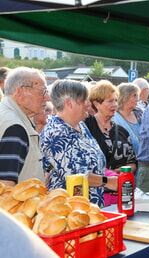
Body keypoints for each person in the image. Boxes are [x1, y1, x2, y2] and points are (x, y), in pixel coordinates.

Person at [40, 79, 118, 207]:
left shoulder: (80, 125)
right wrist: (108, 181)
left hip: (88, 207)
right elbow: (76, 176)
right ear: (69, 103)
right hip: (68, 210)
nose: (88, 104)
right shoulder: (56, 132)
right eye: (84, 100)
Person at [0, 67, 49, 186]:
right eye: (42, 92)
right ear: (21, 91)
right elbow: (5, 187)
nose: (47, 98)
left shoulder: (8, 115)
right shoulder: (15, 127)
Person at [84, 80, 137, 173]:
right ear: (96, 104)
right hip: (94, 185)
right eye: (110, 101)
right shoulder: (85, 126)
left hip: (119, 184)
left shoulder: (122, 131)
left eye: (116, 100)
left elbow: (132, 162)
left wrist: (123, 171)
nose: (115, 105)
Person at [112, 82, 143, 155]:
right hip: (126, 163)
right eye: (134, 96)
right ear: (124, 97)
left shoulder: (140, 113)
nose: (138, 99)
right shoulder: (113, 117)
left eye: (137, 96)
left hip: (145, 162)